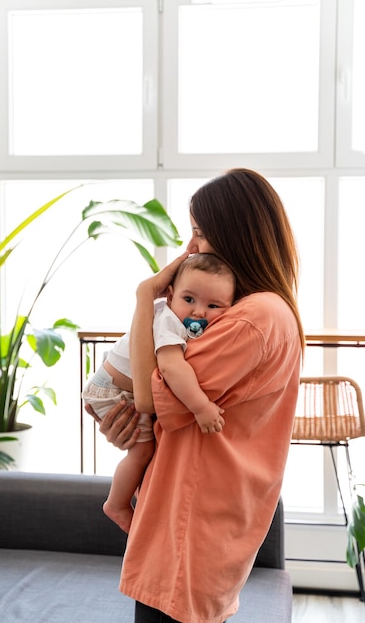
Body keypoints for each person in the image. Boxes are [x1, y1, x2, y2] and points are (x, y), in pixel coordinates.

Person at [86, 168, 304, 623]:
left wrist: (146, 296)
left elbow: (153, 396)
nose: (193, 248)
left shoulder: (252, 317)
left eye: (201, 233)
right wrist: (132, 426)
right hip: (196, 520)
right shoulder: (256, 310)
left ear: (234, 235)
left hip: (191, 525)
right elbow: (160, 407)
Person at [83, 253, 235, 533]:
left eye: (213, 306)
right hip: (112, 390)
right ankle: (116, 504)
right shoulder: (169, 322)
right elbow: (171, 367)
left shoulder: (184, 320)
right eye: (189, 300)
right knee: (143, 451)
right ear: (170, 295)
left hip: (120, 387)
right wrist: (201, 407)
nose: (198, 312)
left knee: (150, 451)